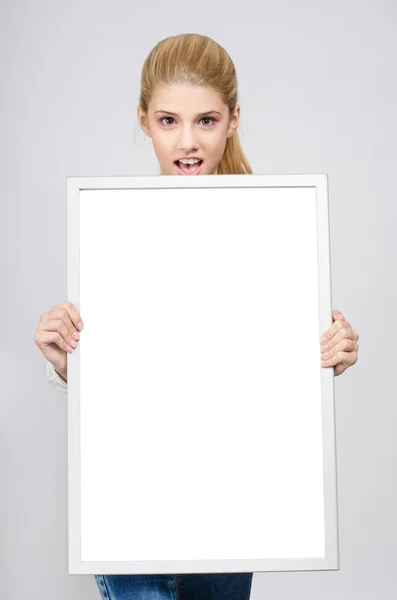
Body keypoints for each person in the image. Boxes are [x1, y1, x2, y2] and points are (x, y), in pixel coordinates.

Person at [34, 32, 360, 600]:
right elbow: (123, 377)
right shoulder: (113, 232)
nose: (187, 142)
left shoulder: (276, 234)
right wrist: (66, 363)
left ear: (234, 119)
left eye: (206, 120)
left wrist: (332, 349)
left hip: (232, 508)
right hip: (134, 509)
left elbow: (271, 374)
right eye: (168, 121)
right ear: (143, 121)